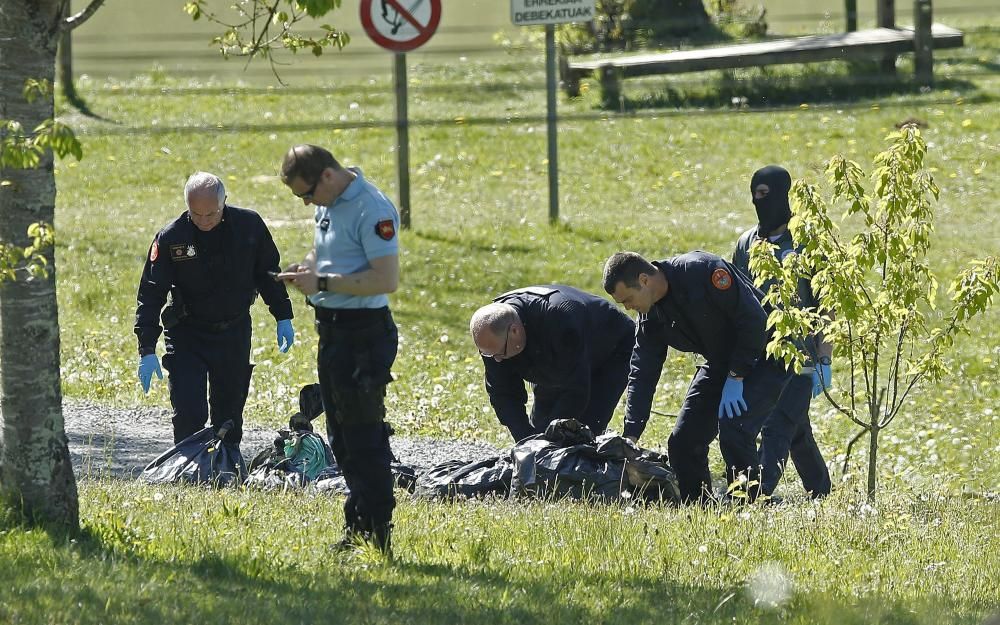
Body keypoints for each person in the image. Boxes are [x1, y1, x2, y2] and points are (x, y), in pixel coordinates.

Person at [277, 144, 400, 555]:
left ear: (327, 176)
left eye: (307, 194)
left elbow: (385, 279)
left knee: (365, 436)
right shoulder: (328, 203)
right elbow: (324, 252)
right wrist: (308, 268)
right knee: (341, 437)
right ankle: (358, 526)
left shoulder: (372, 209)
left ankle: (377, 532)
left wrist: (324, 284)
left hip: (364, 335)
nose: (307, 202)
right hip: (332, 332)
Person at [602, 250, 792, 503]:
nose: (628, 307)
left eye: (628, 299)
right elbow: (643, 372)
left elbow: (754, 320)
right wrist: (632, 433)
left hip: (767, 353)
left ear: (645, 280)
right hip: (721, 363)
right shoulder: (650, 317)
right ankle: (698, 507)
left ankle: (749, 505)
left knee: (735, 428)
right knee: (683, 442)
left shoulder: (702, 271)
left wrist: (736, 376)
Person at [134, 172, 295, 446]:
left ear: (224, 203)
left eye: (212, 214)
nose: (204, 221)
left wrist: (283, 315)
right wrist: (147, 348)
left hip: (233, 331)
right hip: (187, 333)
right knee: (188, 412)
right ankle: (188, 468)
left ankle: (226, 467)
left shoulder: (249, 227)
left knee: (229, 413)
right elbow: (151, 292)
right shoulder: (172, 237)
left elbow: (267, 274)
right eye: (196, 214)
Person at [732, 165, 832, 499]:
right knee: (795, 427)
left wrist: (824, 357)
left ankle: (756, 495)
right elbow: (736, 300)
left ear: (782, 194)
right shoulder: (747, 244)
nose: (757, 201)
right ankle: (820, 489)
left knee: (777, 425)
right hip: (761, 356)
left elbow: (827, 302)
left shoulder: (807, 242)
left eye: (764, 194)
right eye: (754, 194)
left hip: (800, 356)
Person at [469, 285, 635, 442]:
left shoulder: (561, 320)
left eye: (499, 353)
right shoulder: (493, 336)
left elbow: (576, 390)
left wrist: (550, 441)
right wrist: (525, 440)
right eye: (489, 354)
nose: (496, 360)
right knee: (538, 433)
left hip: (612, 349)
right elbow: (502, 393)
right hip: (552, 355)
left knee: (581, 432)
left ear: (515, 331)